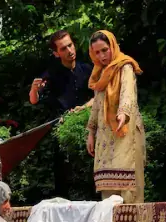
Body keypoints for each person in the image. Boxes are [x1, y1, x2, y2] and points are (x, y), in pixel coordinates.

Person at [86, 31, 146, 204]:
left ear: (112, 46)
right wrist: (91, 132)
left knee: (129, 188)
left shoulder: (125, 66)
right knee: (108, 189)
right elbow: (97, 104)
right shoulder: (99, 73)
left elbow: (128, 93)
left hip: (125, 131)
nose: (102, 56)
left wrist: (123, 113)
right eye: (97, 52)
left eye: (105, 50)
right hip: (105, 135)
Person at [29, 30, 94, 115]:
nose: (69, 51)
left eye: (70, 45)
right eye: (63, 49)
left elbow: (99, 96)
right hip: (64, 122)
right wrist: (34, 90)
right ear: (56, 53)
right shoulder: (51, 75)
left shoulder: (87, 69)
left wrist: (84, 107)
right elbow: (33, 100)